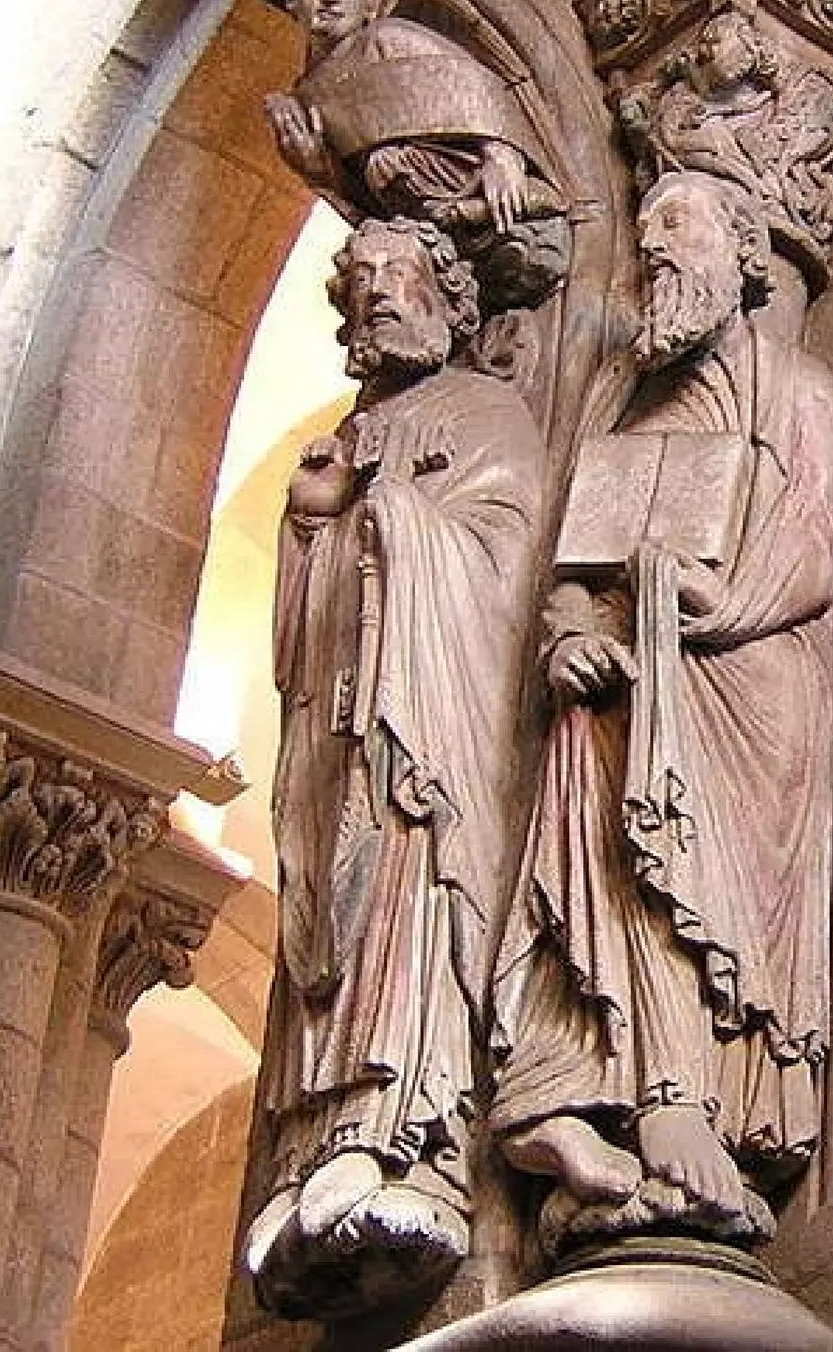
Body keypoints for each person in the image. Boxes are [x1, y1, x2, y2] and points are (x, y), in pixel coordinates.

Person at [489, 171, 833, 1250]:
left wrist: (721, 604)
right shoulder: (621, 399)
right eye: (643, 230)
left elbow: (816, 538)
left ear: (745, 250)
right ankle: (649, 1091)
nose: (654, 247)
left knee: (708, 874)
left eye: (677, 224)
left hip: (748, 677)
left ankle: (713, 1098)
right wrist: (569, 638)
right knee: (621, 857)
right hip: (627, 675)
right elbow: (570, 568)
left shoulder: (796, 389)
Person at [247, 218, 544, 1314]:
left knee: (405, 890)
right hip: (337, 727)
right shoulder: (350, 428)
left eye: (399, 276)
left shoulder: (484, 411)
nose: (376, 295)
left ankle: (405, 1127)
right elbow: (302, 628)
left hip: (425, 722)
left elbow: (504, 559)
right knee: (327, 906)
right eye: (359, 280)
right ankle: (318, 1134)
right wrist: (309, 529)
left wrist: (393, 517)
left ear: (451, 297)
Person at [265, 0, 568, 307]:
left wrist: (502, 155)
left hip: (467, 176)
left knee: (387, 163)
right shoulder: (304, 97)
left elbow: (473, 87)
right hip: (421, 218)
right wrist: (319, 170)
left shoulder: (388, 39)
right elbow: (362, 202)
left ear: (370, 4)